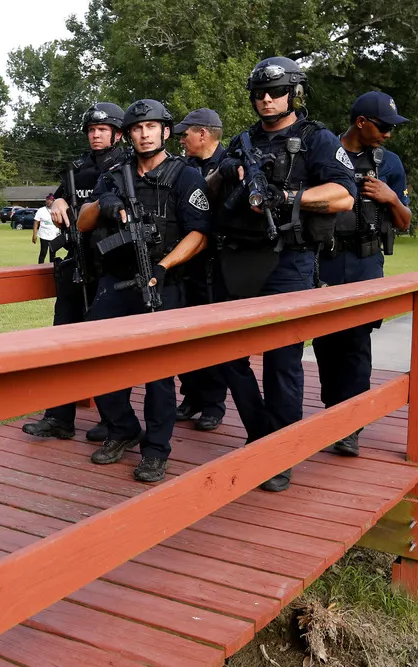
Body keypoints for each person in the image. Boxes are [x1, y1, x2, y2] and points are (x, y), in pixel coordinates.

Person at [212, 57, 356, 492]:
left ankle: (281, 454)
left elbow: (344, 195)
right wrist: (226, 174)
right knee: (225, 351)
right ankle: (261, 433)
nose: (267, 100)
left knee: (282, 360)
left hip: (289, 260)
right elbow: (214, 193)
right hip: (240, 259)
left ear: (294, 93)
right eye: (259, 93)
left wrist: (287, 196)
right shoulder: (242, 141)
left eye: (275, 92)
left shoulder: (317, 139)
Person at [76, 99, 212, 483]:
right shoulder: (114, 174)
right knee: (94, 355)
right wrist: (106, 202)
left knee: (158, 373)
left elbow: (199, 234)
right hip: (116, 281)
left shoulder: (185, 176)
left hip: (160, 281)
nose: (144, 134)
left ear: (166, 132)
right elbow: (84, 222)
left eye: (152, 127)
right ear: (129, 134)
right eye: (137, 128)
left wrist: (164, 266)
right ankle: (121, 428)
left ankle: (155, 449)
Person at [312, 92, 412, 456]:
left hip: (366, 263)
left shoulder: (390, 163)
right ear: (361, 122)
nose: (388, 134)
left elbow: (405, 221)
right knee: (324, 340)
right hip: (324, 259)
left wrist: (390, 197)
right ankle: (332, 414)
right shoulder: (323, 154)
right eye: (383, 127)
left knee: (356, 343)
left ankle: (350, 426)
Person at [22, 102, 126, 443]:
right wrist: (57, 202)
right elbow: (60, 199)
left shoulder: (127, 166)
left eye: (102, 130)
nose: (95, 135)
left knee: (107, 349)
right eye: (91, 130)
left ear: (117, 133)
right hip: (76, 261)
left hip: (111, 266)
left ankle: (115, 422)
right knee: (62, 340)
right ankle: (59, 417)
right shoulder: (77, 167)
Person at [172, 108, 230, 431]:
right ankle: (192, 395)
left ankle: (213, 404)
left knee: (213, 336)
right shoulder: (184, 168)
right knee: (185, 334)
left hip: (220, 265)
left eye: (186, 134)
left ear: (203, 134)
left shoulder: (233, 163)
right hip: (189, 262)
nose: (182, 139)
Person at [32, 194, 60, 263]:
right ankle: (40, 268)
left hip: (54, 235)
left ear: (53, 201)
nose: (48, 201)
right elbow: (36, 223)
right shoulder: (41, 210)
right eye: (47, 200)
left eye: (50, 200)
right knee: (43, 253)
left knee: (53, 254)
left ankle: (52, 270)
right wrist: (34, 235)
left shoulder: (57, 210)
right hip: (44, 235)